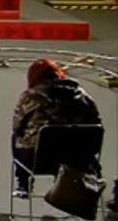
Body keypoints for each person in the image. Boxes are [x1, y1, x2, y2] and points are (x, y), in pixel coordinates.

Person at [12, 58, 101, 198]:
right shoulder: (83, 95)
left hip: (39, 159)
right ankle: (70, 181)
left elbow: (17, 125)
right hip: (79, 157)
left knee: (16, 137)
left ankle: (23, 184)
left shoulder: (31, 96)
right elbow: (97, 123)